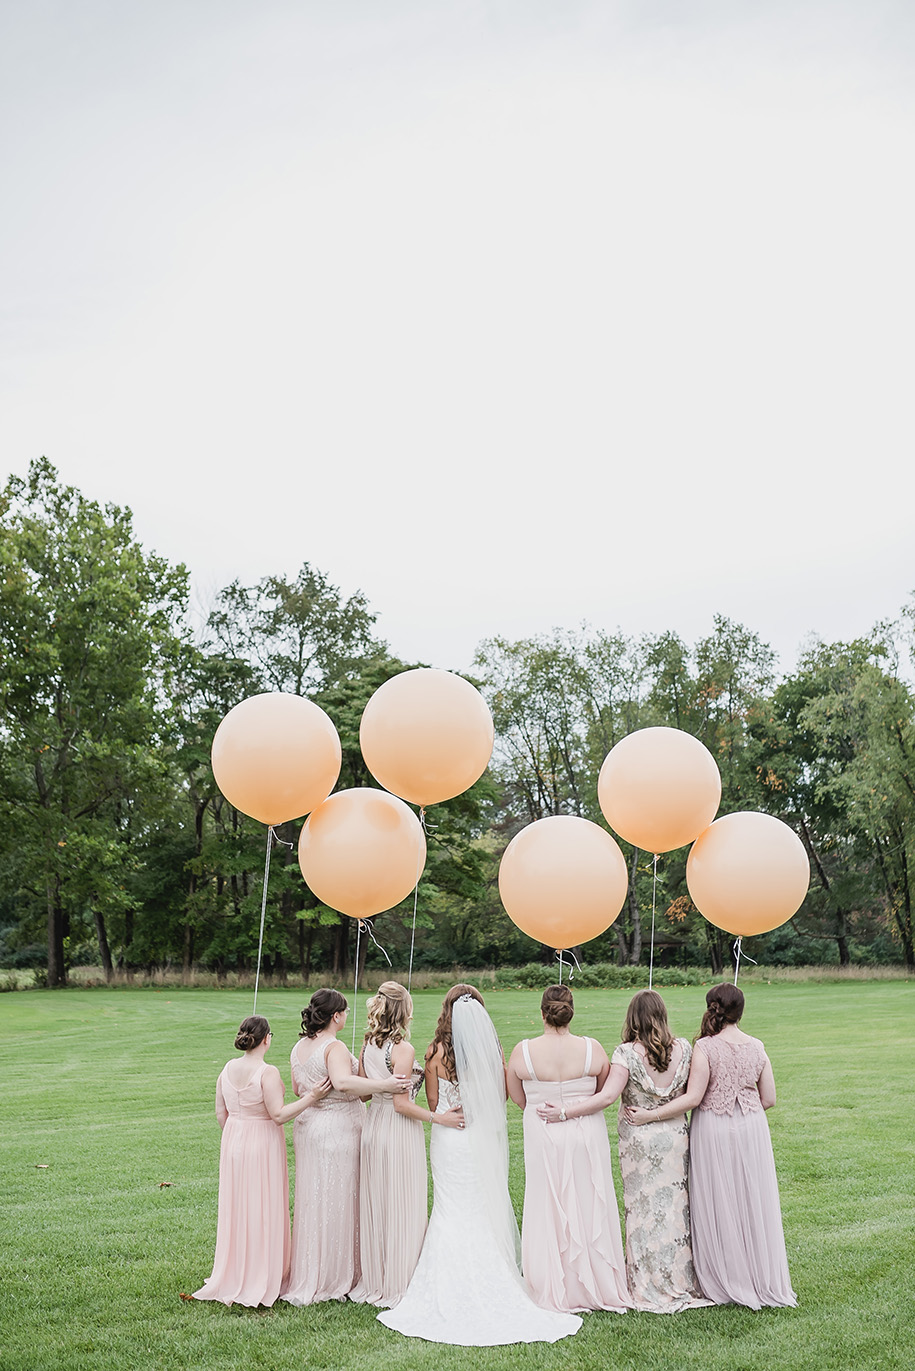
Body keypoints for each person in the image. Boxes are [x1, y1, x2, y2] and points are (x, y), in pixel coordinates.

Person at [379, 985, 582, 1345]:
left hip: (448, 1137)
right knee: (480, 1208)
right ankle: (494, 1277)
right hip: (480, 1138)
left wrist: (445, 1110)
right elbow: (502, 1094)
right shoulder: (492, 1048)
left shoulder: (434, 1051)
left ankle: (448, 1283)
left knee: (448, 1209)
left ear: (446, 1011)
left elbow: (433, 1100)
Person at [625, 983, 797, 1310]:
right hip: (752, 1128)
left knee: (718, 1199)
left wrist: (652, 1115)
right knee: (751, 1200)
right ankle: (757, 1275)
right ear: (740, 1012)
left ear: (713, 1009)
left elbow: (693, 1098)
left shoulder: (705, 1047)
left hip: (714, 1129)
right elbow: (769, 1099)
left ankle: (725, 1277)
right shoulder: (757, 1046)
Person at [282, 988, 411, 1306]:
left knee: (315, 1200)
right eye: (346, 1012)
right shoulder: (334, 1047)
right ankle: (336, 1275)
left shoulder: (300, 1046)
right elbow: (342, 1083)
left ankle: (312, 1269)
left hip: (308, 1127)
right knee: (338, 1199)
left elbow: (300, 1087)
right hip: (337, 1131)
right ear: (336, 1016)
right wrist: (385, 1085)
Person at [507, 984, 630, 1314]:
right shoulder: (593, 1049)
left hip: (542, 1130)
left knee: (547, 1201)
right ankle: (595, 1281)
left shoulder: (523, 1051)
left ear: (542, 1012)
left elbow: (518, 1098)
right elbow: (602, 1092)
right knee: (589, 1199)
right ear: (571, 1011)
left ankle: (552, 1282)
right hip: (585, 1131)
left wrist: (544, 1109)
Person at [192, 1015, 328, 1307]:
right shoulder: (266, 1072)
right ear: (267, 1039)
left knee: (238, 1207)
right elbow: (278, 1114)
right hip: (262, 1142)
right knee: (262, 1206)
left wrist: (236, 1134)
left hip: (233, 1140)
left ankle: (236, 1269)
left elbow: (220, 1113)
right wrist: (312, 1097)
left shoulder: (227, 1068)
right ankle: (261, 1274)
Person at [350, 981, 462, 1307]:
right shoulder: (403, 1050)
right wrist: (438, 1118)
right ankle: (400, 1281)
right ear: (405, 1011)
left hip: (373, 1127)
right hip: (399, 1130)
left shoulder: (367, 1043)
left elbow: (365, 1093)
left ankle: (378, 1278)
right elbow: (401, 1104)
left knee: (380, 1203)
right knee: (403, 1202)